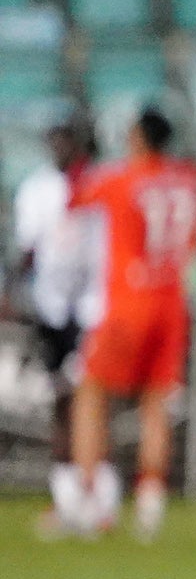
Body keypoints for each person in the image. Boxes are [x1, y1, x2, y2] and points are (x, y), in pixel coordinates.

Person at [69, 107, 196, 542]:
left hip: (129, 302)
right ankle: (150, 503)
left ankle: (89, 501)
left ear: (139, 139)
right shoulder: (187, 179)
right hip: (171, 303)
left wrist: (82, 158)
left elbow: (75, 199)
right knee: (155, 404)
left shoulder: (121, 178)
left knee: (89, 394)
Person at [11, 118, 103, 538]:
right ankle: (67, 495)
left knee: (93, 400)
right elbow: (28, 249)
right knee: (62, 402)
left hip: (93, 308)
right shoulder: (37, 190)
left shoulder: (101, 183)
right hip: (52, 309)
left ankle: (97, 494)